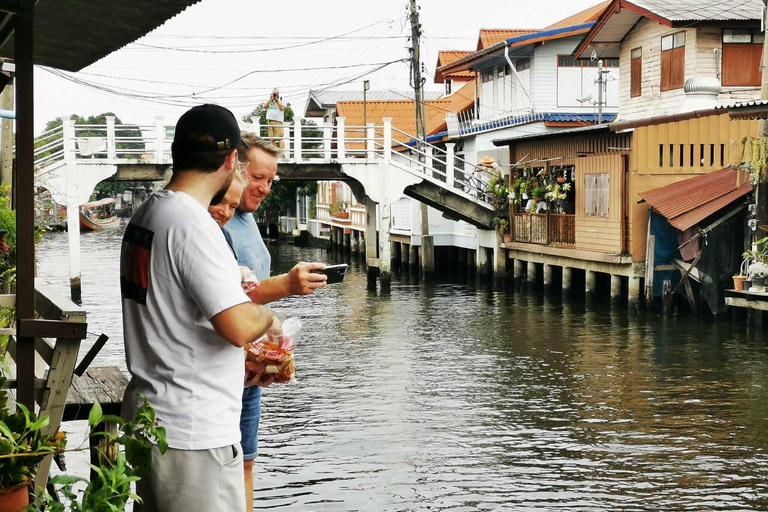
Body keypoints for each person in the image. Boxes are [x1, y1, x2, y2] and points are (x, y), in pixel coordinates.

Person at [120, 104, 279, 512]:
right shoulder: (192, 224)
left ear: (176, 151)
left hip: (151, 418)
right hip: (192, 430)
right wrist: (269, 316)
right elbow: (239, 326)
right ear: (230, 162)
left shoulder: (149, 213)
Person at [224, 133, 327, 512]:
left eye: (271, 180)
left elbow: (251, 286)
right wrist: (288, 284)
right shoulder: (218, 219)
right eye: (257, 177)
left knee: (247, 464)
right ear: (234, 168)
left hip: (252, 369)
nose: (265, 188)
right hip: (224, 369)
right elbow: (226, 295)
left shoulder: (247, 219)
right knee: (222, 469)